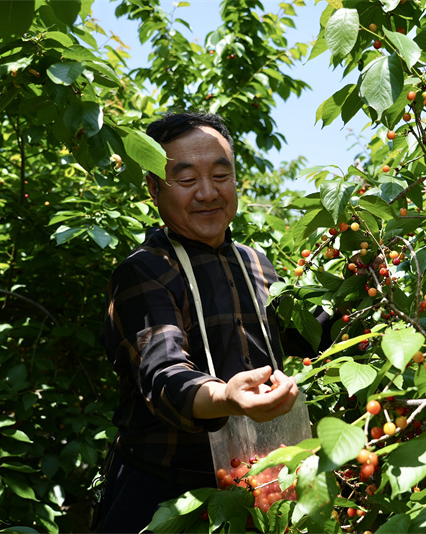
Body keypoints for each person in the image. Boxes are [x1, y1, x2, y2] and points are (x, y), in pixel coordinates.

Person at [95, 112, 307, 532]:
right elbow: (165, 374)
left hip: (258, 483)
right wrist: (227, 397)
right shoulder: (145, 271)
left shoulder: (256, 264)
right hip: (163, 494)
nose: (208, 193)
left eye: (221, 175)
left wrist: (359, 284)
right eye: (187, 180)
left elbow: (305, 334)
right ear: (155, 188)